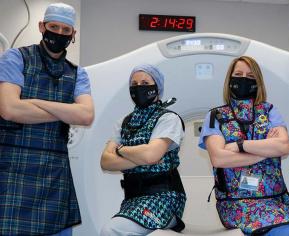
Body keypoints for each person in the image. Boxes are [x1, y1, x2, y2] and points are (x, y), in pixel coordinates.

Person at [0, 3, 94, 235]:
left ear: (73, 34)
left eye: (66, 30)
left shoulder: (77, 73)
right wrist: (65, 110)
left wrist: (33, 103)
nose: (59, 34)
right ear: (42, 27)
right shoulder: (15, 57)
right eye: (54, 27)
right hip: (12, 167)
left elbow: (85, 115)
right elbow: (10, 110)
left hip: (55, 173)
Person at [198, 56, 289, 236]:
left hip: (275, 200)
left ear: (257, 82)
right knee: (282, 230)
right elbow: (218, 158)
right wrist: (265, 151)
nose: (243, 79)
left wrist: (240, 145)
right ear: (229, 80)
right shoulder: (215, 115)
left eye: (250, 76)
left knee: (288, 229)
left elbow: (282, 146)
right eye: (238, 74)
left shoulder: (269, 111)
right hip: (236, 202)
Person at [100, 64, 186, 236]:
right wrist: (143, 158)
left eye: (145, 82)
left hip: (164, 199)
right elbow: (105, 162)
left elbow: (150, 155)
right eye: (134, 83)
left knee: (110, 231)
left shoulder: (168, 118)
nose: (139, 87)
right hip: (132, 201)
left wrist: (121, 149)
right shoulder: (124, 122)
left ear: (157, 88)